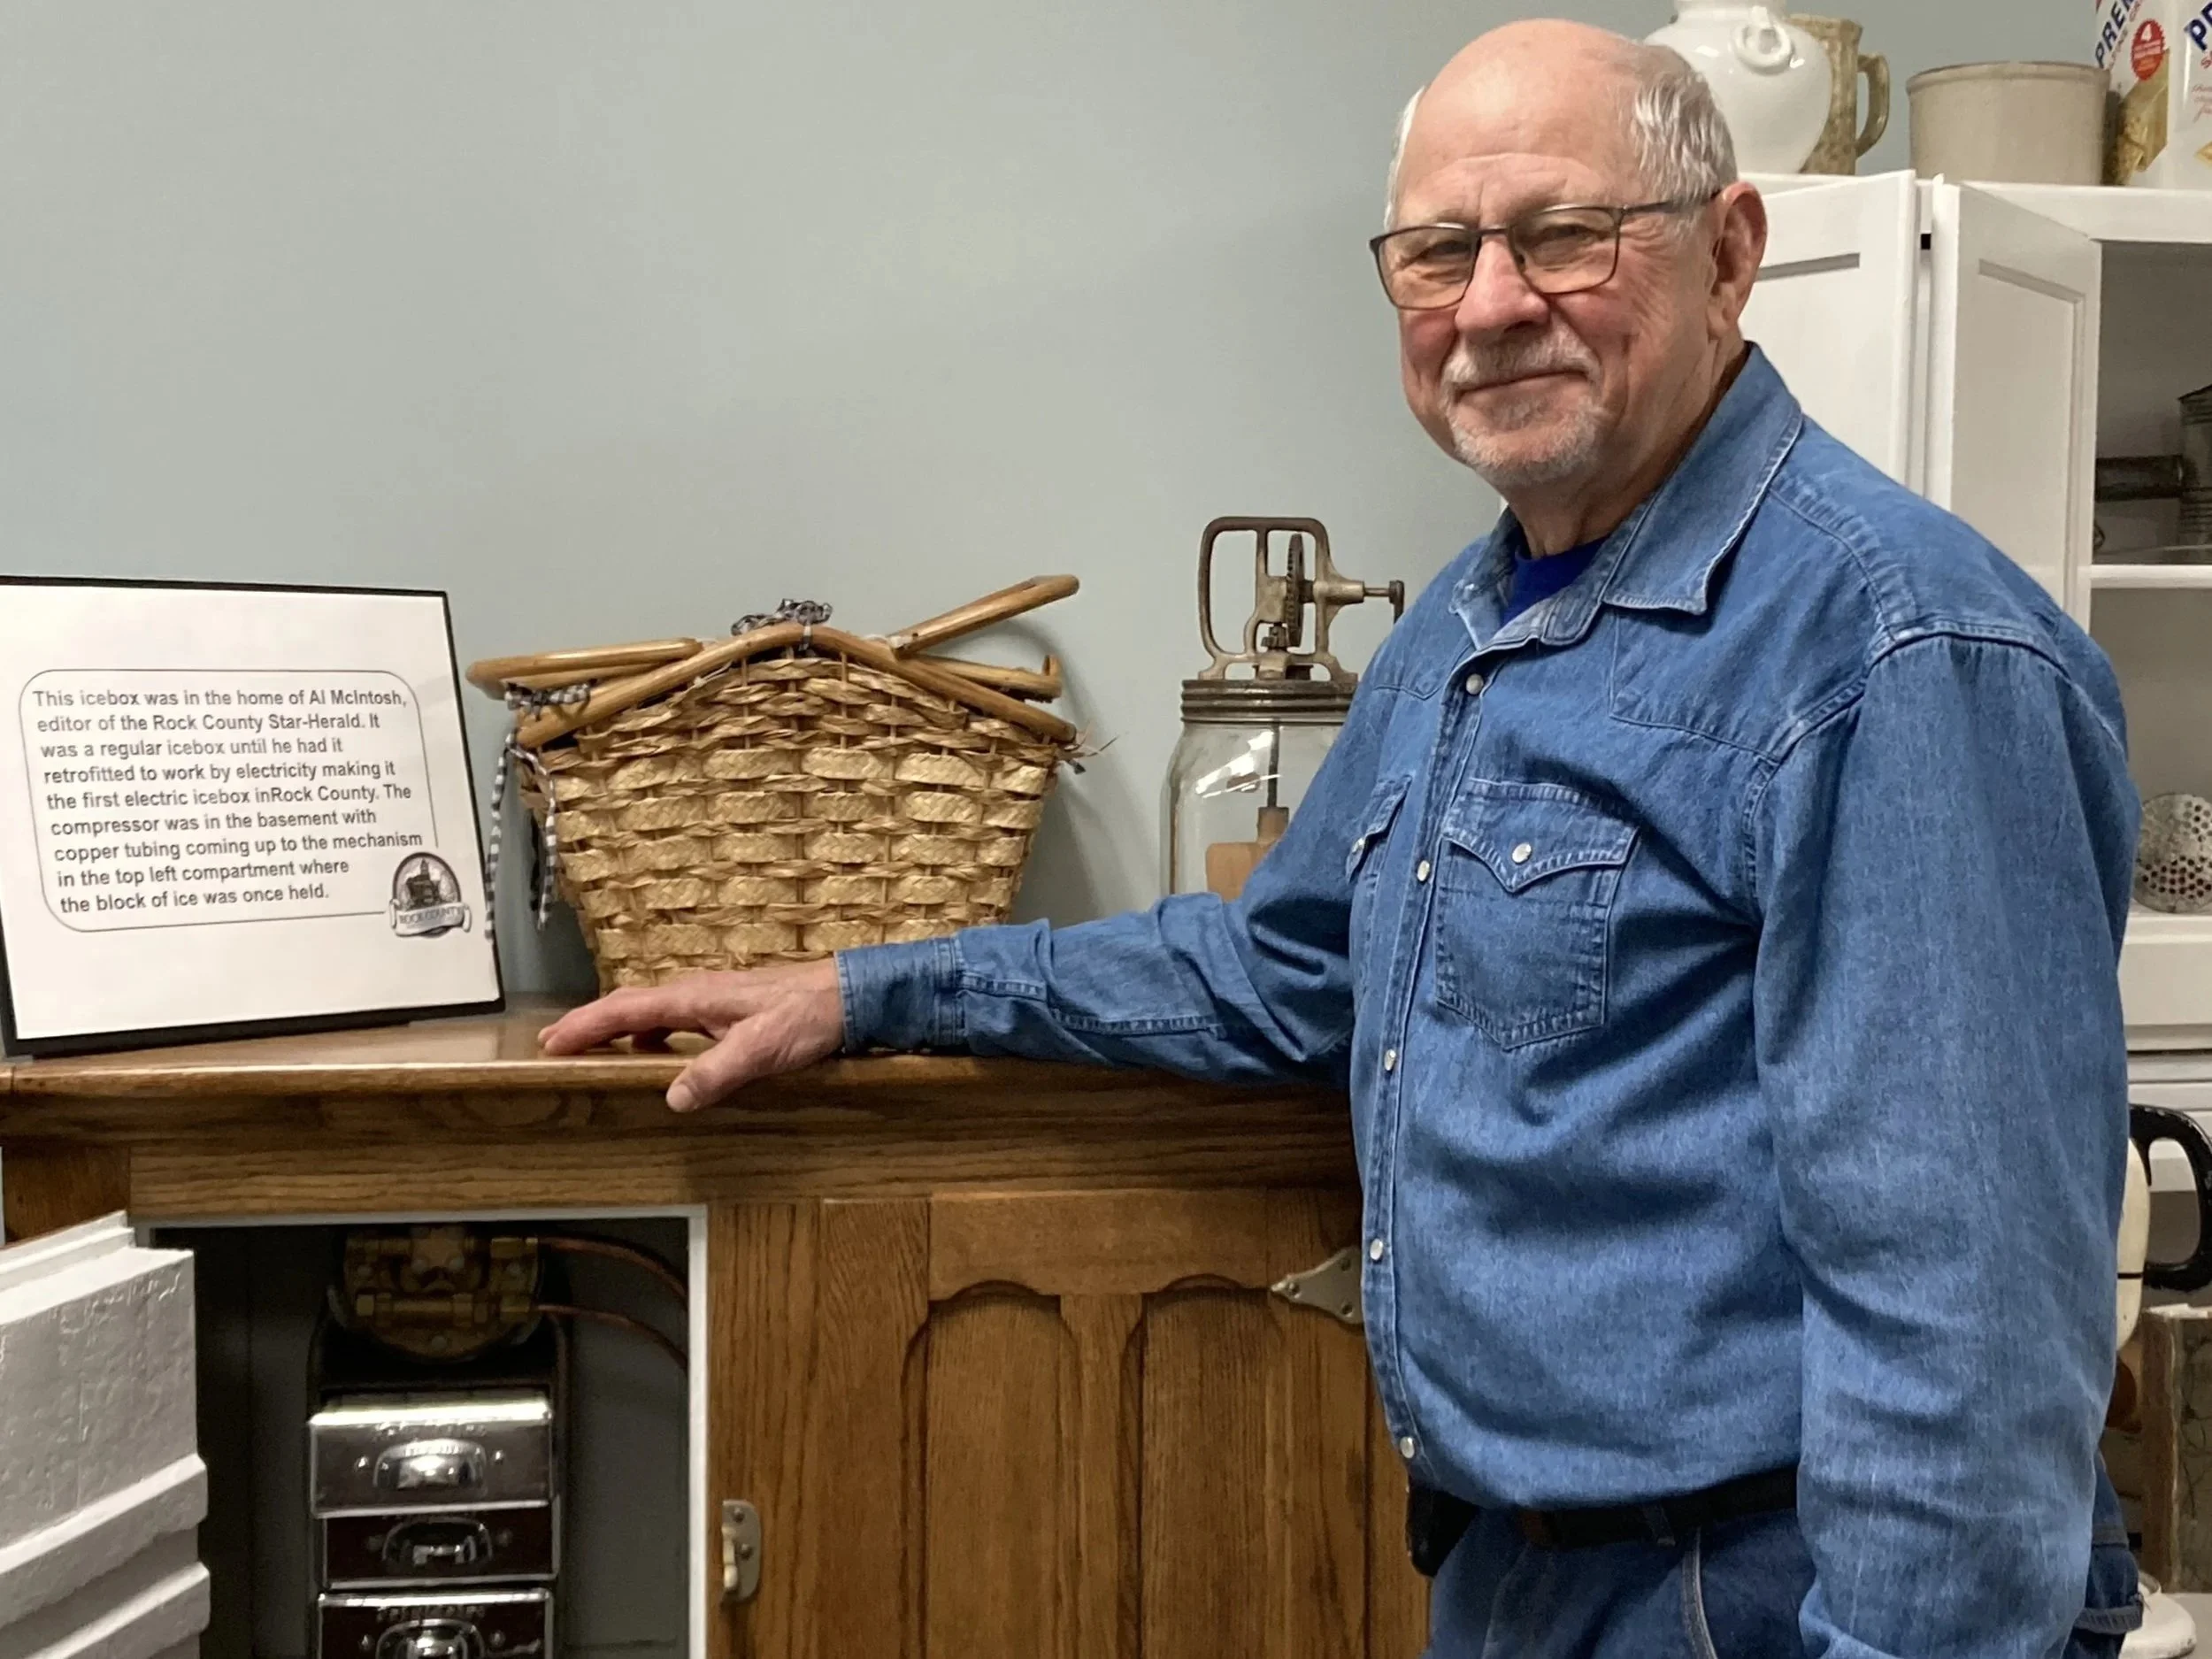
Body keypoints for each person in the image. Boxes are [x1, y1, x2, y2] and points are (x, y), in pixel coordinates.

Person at [541, 20, 2145, 1659]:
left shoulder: (1900, 650)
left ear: (1730, 254)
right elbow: (1281, 968)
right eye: (1439, 252)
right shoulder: (1462, 624)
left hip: (1758, 1593)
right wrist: (870, 988)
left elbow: (1965, 1334)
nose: (1491, 304)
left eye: (1564, 235)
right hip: (1520, 1572)